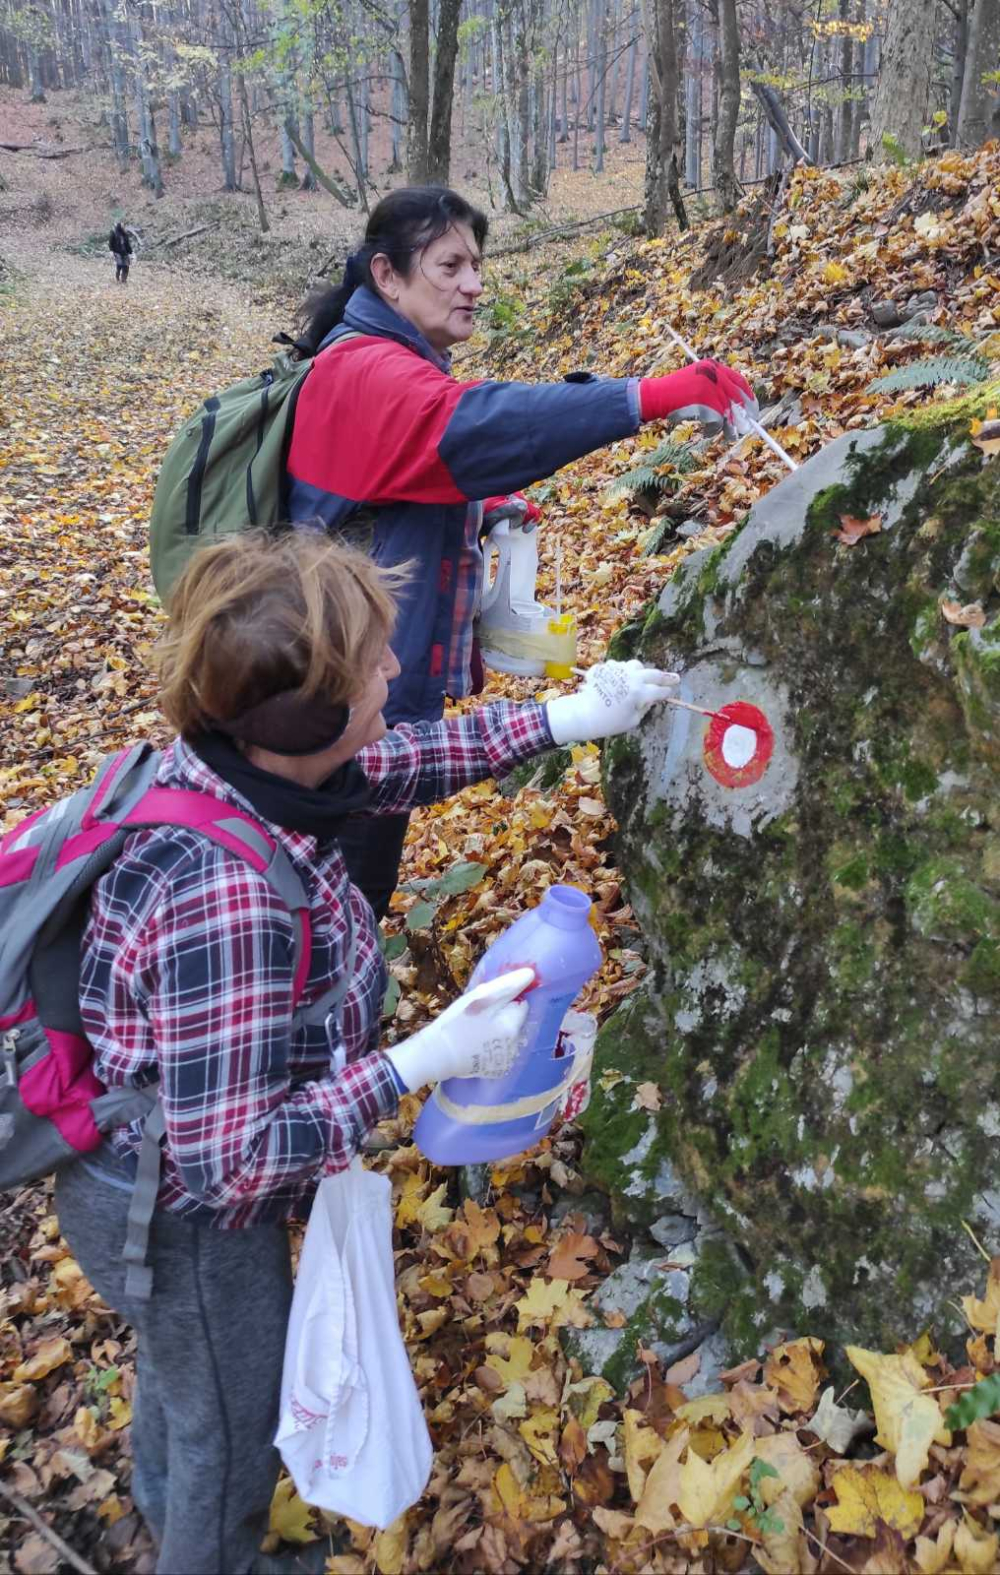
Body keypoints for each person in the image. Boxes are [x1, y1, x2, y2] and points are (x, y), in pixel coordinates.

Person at [53, 527, 677, 1575]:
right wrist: (417, 1064)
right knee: (228, 1419)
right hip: (174, 1216)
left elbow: (400, 763)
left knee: (183, 1382)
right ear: (309, 714)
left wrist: (574, 717)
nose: (395, 667)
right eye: (373, 663)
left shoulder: (249, 767)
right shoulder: (228, 898)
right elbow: (230, 1160)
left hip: (164, 1172)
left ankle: (166, 1513)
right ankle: (209, 1553)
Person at [286, 185, 756, 920]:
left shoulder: (385, 358)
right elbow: (471, 426)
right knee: (332, 913)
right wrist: (643, 398)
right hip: (327, 709)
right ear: (387, 275)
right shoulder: (366, 370)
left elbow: (397, 476)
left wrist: (484, 505)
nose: (473, 284)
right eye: (449, 266)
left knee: (346, 908)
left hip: (362, 694)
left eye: (477, 264)